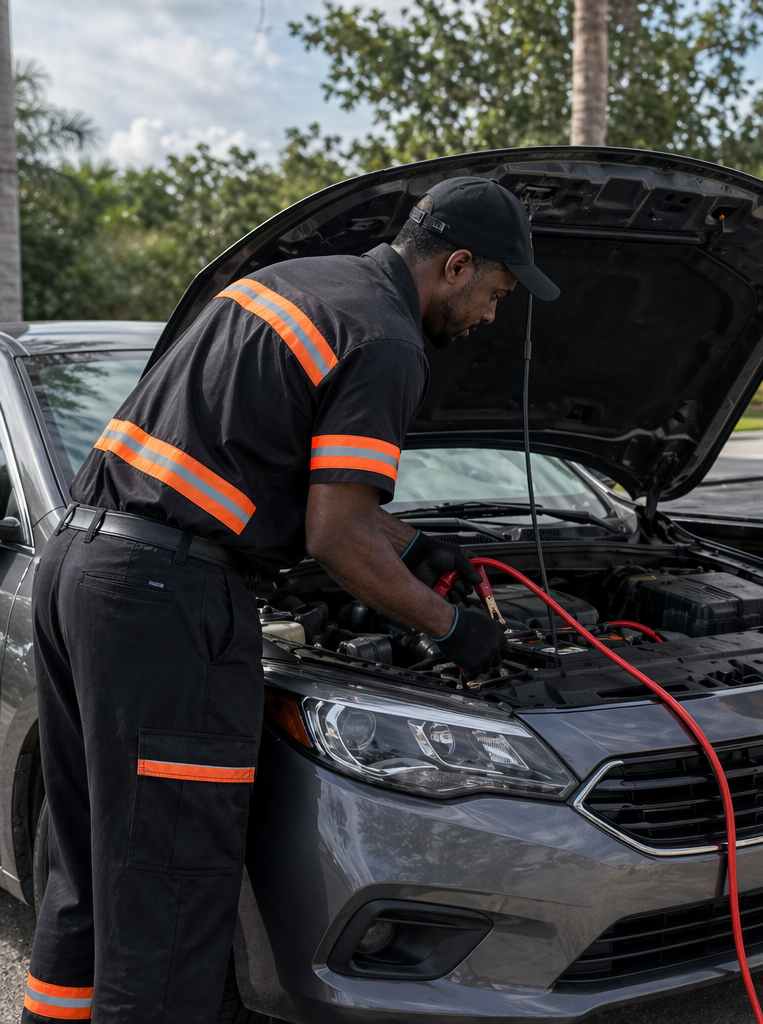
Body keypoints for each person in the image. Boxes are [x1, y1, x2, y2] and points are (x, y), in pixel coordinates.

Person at [22, 177, 559, 1023]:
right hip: (168, 603)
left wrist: (418, 547)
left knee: (89, 874)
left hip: (79, 571)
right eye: (495, 293)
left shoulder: (292, 282)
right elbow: (334, 535)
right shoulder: (387, 339)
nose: (492, 316)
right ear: (456, 265)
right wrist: (453, 630)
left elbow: (288, 477)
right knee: (167, 893)